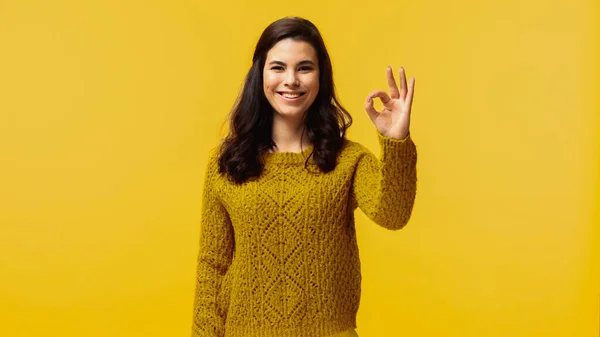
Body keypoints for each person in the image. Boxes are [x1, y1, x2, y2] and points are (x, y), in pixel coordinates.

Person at [191, 16, 417, 337]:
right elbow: (212, 266)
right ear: (260, 75)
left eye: (305, 68)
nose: (291, 80)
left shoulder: (347, 159)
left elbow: (393, 215)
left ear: (320, 78)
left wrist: (395, 141)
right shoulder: (226, 161)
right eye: (278, 67)